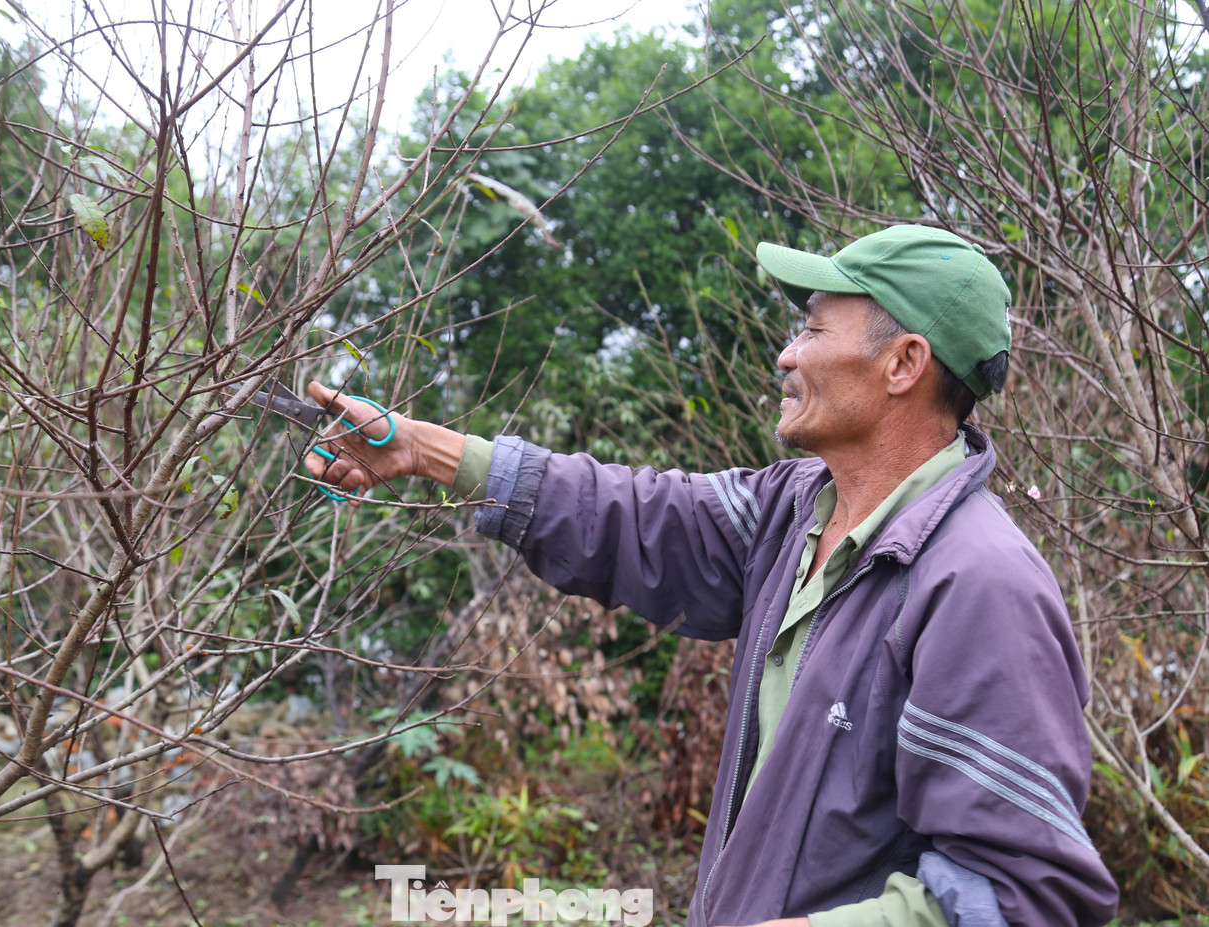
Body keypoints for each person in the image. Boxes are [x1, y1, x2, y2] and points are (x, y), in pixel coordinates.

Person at [303, 225, 1120, 926]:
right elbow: (631, 513)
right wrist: (426, 450)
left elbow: (1021, 895)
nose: (786, 353)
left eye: (813, 329)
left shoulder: (979, 583)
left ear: (904, 362)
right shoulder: (794, 512)